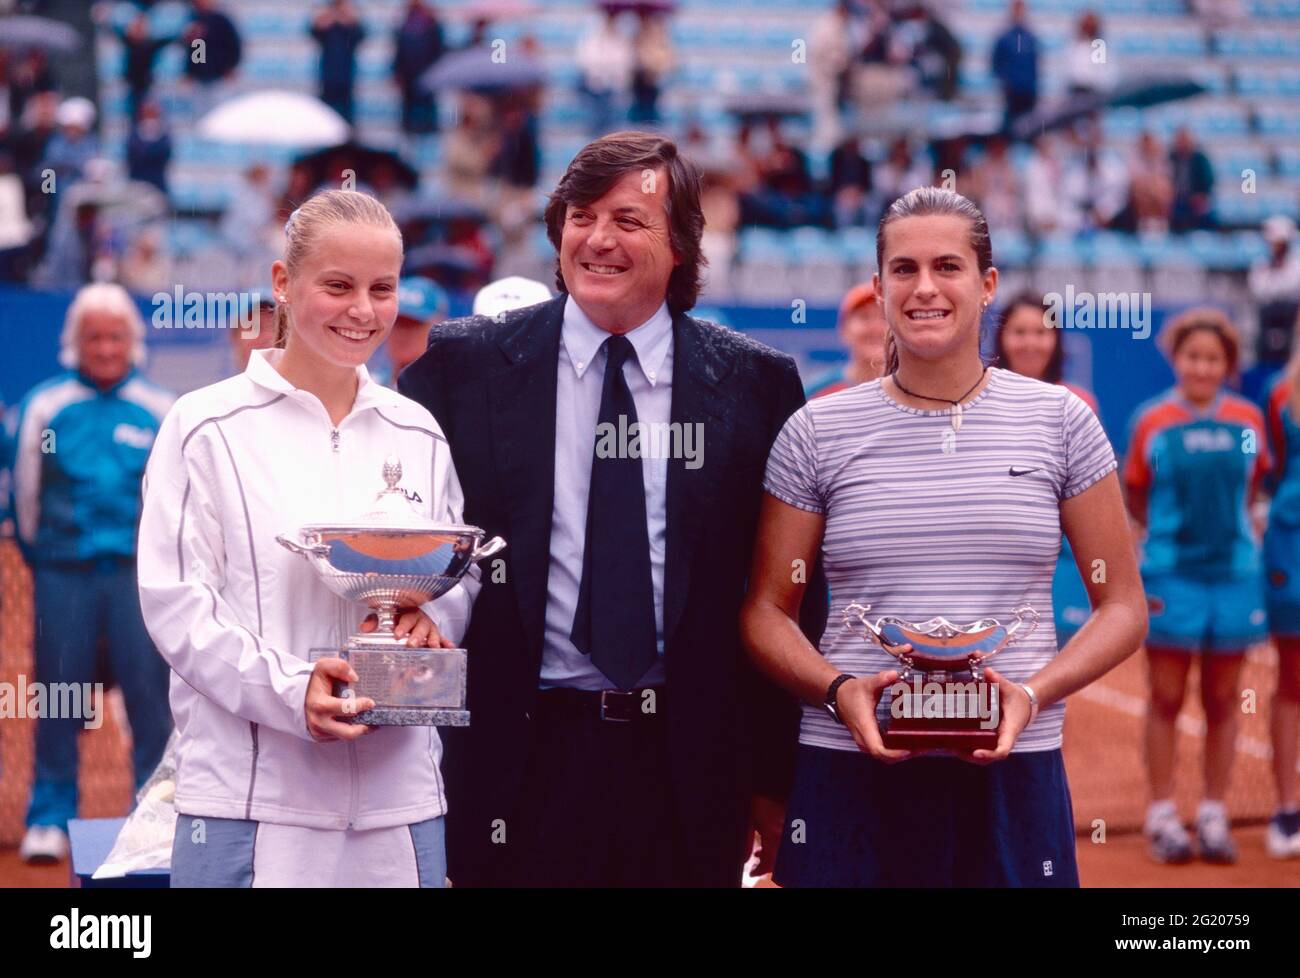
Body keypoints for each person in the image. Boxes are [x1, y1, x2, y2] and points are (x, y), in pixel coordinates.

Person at [398, 131, 819, 887]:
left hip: (689, 771)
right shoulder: (461, 369)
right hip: (509, 765)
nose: (598, 239)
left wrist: (774, 782)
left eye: (629, 220)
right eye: (580, 215)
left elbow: (784, 597)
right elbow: (412, 545)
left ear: (682, 244)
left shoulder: (757, 387)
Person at [740, 187, 1147, 887]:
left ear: (986, 284)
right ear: (878, 286)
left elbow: (1123, 607)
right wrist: (840, 693)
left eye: (947, 266)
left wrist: (1033, 694)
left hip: (1014, 770)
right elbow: (766, 611)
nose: (924, 287)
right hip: (848, 771)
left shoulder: (1062, 422)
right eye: (903, 269)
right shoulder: (817, 430)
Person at [137, 190, 476, 887]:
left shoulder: (418, 431)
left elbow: (455, 580)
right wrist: (293, 693)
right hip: (250, 799)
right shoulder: (204, 427)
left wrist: (427, 619)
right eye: (338, 285)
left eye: (382, 289)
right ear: (283, 285)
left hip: (398, 801)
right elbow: (178, 605)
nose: (363, 310)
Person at [12, 283, 175, 863]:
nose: (105, 348)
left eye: (115, 337)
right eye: (94, 338)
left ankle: (153, 815)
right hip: (65, 576)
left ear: (132, 343)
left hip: (138, 580)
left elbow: (173, 504)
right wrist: (51, 560)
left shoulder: (160, 411)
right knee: (60, 696)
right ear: (74, 344)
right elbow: (25, 503)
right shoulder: (44, 408)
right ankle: (50, 817)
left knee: (150, 699)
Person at [1125, 308, 1268, 865]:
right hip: (1170, 574)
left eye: (1213, 359)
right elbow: (1136, 492)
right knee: (1164, 697)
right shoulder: (1151, 422)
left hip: (1234, 575)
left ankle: (1213, 812)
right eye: (1192, 357)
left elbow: (1255, 481)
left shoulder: (1249, 422)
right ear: (1177, 359)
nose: (1202, 367)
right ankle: (1162, 813)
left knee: (1223, 699)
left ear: (1226, 364)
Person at [995, 291, 1099, 646]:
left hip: (1063, 566)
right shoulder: (977, 399)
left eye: (1041, 333)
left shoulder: (1079, 403)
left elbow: (1092, 495)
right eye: (1019, 333)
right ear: (1002, 339)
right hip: (998, 562)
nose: (1030, 343)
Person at [1259, 342, 1300, 858]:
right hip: (1293, 546)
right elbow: (1268, 475)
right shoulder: (1281, 395)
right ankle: (1289, 810)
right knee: (1293, 676)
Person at [805, 282, 887, 399]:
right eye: (864, 317)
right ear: (844, 330)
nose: (876, 328)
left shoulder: (916, 393)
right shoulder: (817, 393)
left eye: (884, 318)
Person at [370, 275, 448, 388]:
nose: (403, 334)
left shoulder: (448, 390)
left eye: (413, 324)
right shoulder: (369, 385)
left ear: (439, 327)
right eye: (397, 323)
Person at [392, 0, 445, 135]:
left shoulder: (432, 26)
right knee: (409, 118)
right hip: (409, 78)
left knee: (427, 115)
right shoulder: (404, 25)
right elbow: (399, 53)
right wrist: (397, 72)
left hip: (428, 76)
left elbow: (438, 51)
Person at [312, 0, 366, 125]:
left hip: (346, 75)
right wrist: (324, 20)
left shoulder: (351, 19)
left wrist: (349, 21)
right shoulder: (326, 18)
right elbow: (313, 32)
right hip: (327, 75)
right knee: (325, 115)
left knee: (347, 115)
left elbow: (361, 36)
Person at [991, 0, 1039, 134]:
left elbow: (1035, 63)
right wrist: (1006, 80)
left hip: (1029, 91)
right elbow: (996, 63)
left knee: (1030, 128)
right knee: (1011, 129)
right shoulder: (1004, 38)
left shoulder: (1030, 37)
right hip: (1012, 92)